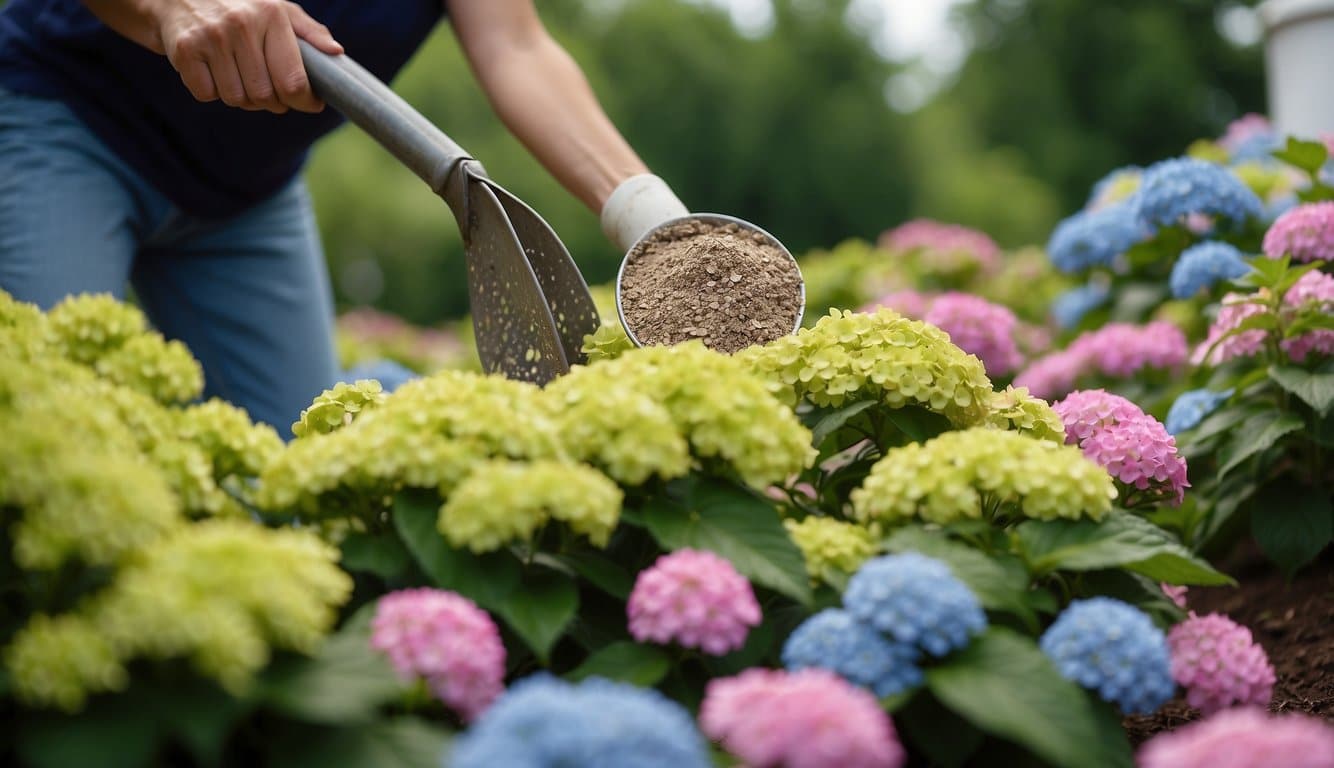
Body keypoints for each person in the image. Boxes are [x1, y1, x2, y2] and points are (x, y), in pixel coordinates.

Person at [0, 0, 688, 430]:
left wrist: (651, 217)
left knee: (304, 479)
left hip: (245, 195)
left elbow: (517, 47)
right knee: (45, 437)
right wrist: (173, 7)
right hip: (64, 118)